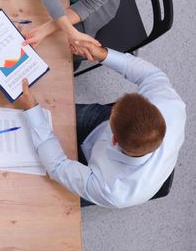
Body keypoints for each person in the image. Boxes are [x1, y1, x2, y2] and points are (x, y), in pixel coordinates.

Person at [17, 43, 186, 208]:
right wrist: (103, 54)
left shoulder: (111, 190)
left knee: (35, 190)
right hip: (98, 128)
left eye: (112, 114)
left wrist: (32, 110)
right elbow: (151, 76)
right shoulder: (170, 106)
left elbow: (57, 167)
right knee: (46, 114)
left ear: (113, 139)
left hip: (93, 177)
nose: (111, 109)